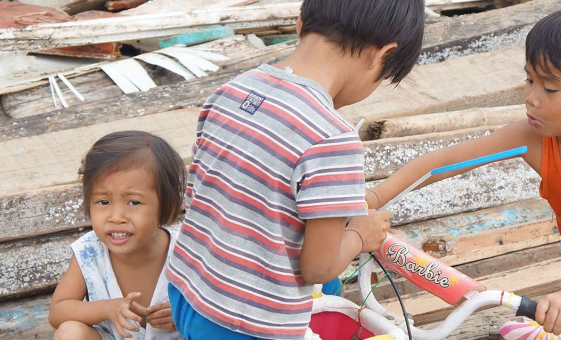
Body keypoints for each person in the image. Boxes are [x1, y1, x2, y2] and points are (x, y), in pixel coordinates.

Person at [165, 0, 426, 339]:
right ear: (381, 56)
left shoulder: (232, 90)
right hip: (249, 324)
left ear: (300, 23)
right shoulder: (333, 137)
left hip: (189, 293)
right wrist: (361, 235)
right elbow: (318, 267)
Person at [365, 4, 561, 337]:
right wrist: (372, 197)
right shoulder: (532, 138)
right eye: (529, 79)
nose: (531, 97)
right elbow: (441, 163)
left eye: (549, 88)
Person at [49, 131, 186, 340]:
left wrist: (182, 317)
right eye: (103, 202)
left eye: (133, 202)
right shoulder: (89, 252)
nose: (116, 217)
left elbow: (219, 308)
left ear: (166, 204)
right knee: (70, 333)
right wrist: (107, 309)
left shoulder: (186, 251)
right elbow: (58, 312)